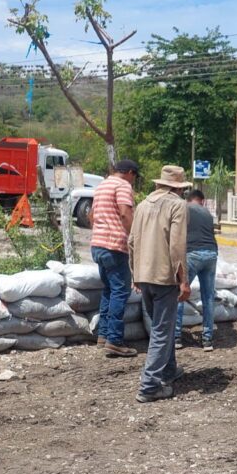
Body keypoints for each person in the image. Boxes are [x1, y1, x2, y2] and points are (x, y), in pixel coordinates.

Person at [130, 165, 192, 403]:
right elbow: (177, 246)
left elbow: (132, 241)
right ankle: (149, 386)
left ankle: (168, 370)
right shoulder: (177, 205)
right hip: (164, 277)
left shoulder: (143, 205)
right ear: (178, 188)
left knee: (160, 326)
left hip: (145, 276)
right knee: (162, 331)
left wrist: (135, 274)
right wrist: (183, 280)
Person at [90, 159, 139, 358]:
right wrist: (136, 237)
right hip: (115, 245)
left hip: (98, 245)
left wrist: (101, 229)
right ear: (129, 172)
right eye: (134, 177)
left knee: (109, 290)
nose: (133, 181)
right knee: (121, 292)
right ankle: (115, 341)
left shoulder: (101, 185)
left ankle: (103, 336)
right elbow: (126, 214)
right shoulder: (122, 185)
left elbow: (91, 215)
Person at [175, 189, 219, 352]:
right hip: (211, 255)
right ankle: (207, 340)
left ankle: (176, 337)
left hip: (192, 254)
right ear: (201, 200)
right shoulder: (207, 212)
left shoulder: (184, 208)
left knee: (180, 293)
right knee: (208, 297)